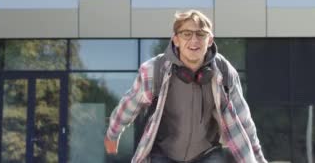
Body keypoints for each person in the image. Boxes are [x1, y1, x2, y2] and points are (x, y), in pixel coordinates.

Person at [104, 10, 267, 163]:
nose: (194, 40)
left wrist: (258, 158)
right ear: (176, 39)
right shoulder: (155, 70)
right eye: (186, 34)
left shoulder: (224, 72)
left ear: (209, 40)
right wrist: (113, 134)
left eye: (201, 34)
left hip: (207, 153)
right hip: (163, 153)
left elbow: (244, 120)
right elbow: (129, 106)